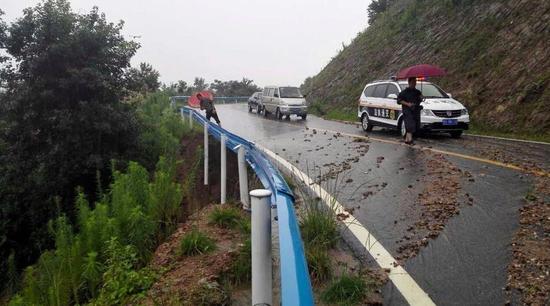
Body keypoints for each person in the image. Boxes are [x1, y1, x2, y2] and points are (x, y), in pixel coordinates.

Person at [397, 77, 423, 144]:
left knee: (415, 125)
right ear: (409, 83)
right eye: (413, 82)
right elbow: (399, 100)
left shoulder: (417, 92)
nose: (414, 83)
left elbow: (420, 100)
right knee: (410, 124)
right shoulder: (404, 92)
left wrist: (421, 98)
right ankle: (410, 139)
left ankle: (407, 139)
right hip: (407, 110)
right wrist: (407, 104)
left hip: (415, 110)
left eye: (415, 82)